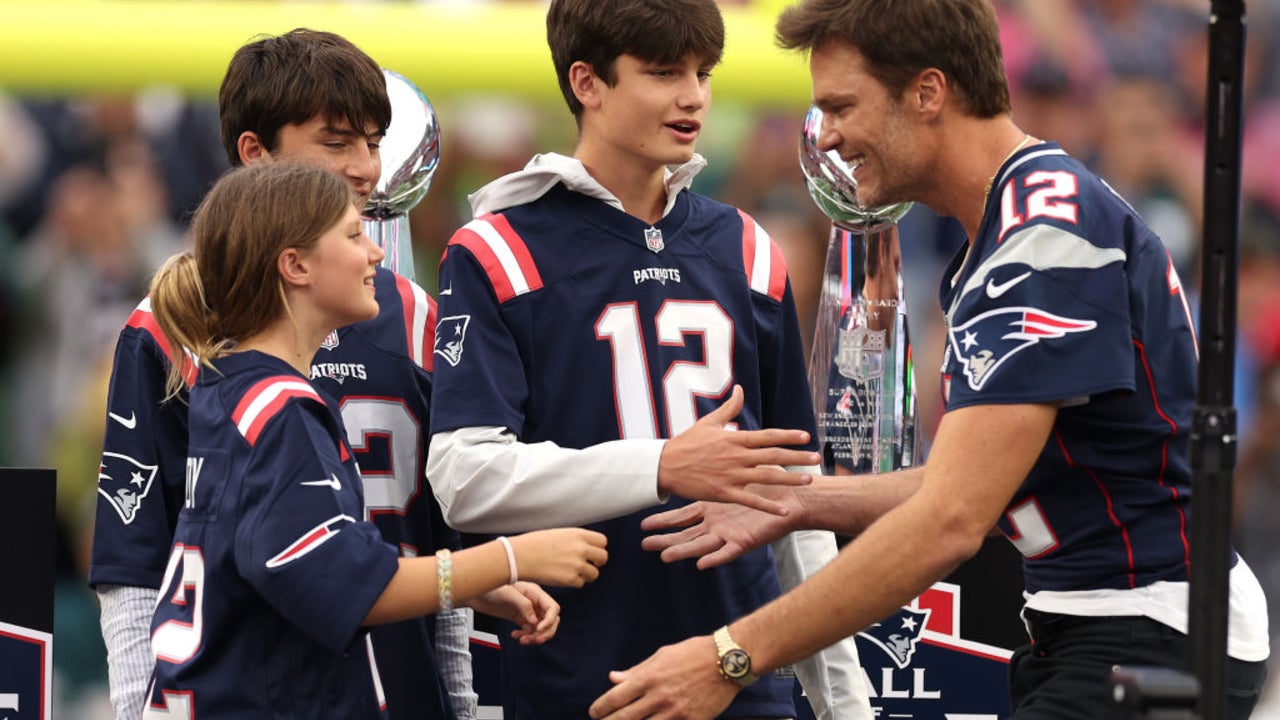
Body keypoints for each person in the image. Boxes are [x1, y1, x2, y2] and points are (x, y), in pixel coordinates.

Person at [587, 1, 1271, 719]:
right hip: (1102, 626)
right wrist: (795, 502)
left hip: (1155, 632)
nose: (833, 135)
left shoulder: (1039, 244)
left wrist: (730, 653)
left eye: (843, 106)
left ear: (928, 92)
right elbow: (964, 480)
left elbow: (951, 519)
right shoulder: (1012, 225)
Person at [425, 1, 872, 718]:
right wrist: (661, 465)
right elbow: (462, 479)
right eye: (663, 72)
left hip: (743, 680)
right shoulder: (496, 249)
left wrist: (845, 702)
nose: (693, 95)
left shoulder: (749, 249)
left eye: (702, 72)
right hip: (584, 686)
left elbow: (794, 493)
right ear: (587, 83)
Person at [88, 29, 480, 720]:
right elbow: (137, 559)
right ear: (254, 154)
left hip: (396, 684)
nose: (365, 168)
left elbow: (438, 531)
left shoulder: (416, 315)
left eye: (373, 141)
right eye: (336, 142)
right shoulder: (169, 323)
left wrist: (464, 702)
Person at [139, 161, 607, 718]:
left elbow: (282, 566)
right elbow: (345, 587)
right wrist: (510, 556)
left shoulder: (231, 391)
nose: (377, 253)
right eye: (354, 234)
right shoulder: (278, 409)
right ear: (295, 266)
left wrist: (470, 588)